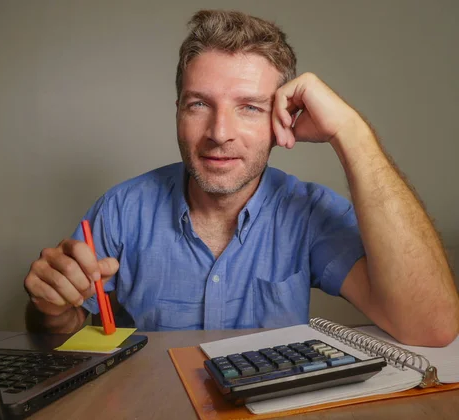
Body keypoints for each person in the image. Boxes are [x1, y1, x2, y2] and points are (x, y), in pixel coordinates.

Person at [23, 9, 459, 346]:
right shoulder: (121, 209)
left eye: (249, 106)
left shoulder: (308, 212)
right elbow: (64, 337)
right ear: (177, 110)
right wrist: (52, 310)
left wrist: (352, 133)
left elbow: (431, 326)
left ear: (282, 117)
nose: (219, 133)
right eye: (199, 104)